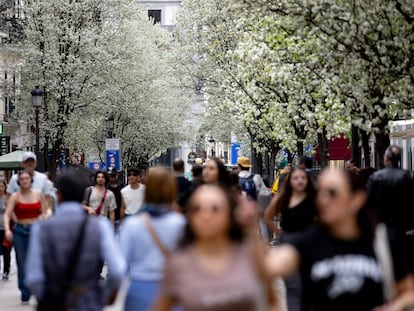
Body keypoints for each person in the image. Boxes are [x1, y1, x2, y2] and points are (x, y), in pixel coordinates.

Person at [266, 168, 414, 310]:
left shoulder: (382, 240)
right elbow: (270, 267)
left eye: (332, 193)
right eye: (320, 193)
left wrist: (395, 306)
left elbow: (408, 291)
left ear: (356, 199)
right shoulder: (309, 241)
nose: (323, 200)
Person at [152, 184, 278, 311]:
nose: (206, 215)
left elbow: (272, 301)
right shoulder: (177, 265)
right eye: (197, 209)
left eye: (215, 208)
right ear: (189, 216)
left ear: (229, 214)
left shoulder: (249, 254)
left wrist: (252, 231)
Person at [25, 170, 126, 311]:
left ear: (58, 195)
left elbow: (34, 277)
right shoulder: (99, 226)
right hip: (89, 301)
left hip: (55, 301)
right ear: (83, 195)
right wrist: (105, 296)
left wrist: (49, 296)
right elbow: (117, 271)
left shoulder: (41, 229)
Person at [120, 167, 186, 311]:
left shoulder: (132, 225)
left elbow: (120, 265)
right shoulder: (181, 224)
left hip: (139, 288)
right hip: (172, 289)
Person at [264, 168, 316, 311]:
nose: (300, 181)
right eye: (296, 178)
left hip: (310, 246)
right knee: (294, 287)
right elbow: (268, 217)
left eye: (303, 178)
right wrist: (280, 233)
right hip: (289, 247)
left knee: (310, 284)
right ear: (290, 182)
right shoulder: (283, 198)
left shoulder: (314, 198)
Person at [3, 170, 48, 304]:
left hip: (36, 229)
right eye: (22, 179)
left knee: (37, 260)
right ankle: (25, 290)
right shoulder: (15, 196)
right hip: (20, 231)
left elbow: (47, 210)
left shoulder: (39, 194)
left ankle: (38, 287)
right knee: (22, 262)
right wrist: (7, 230)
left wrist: (45, 217)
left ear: (31, 180)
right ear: (19, 182)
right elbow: (7, 214)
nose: (24, 181)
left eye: (26, 179)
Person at [366, 145, 414, 265]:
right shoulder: (408, 176)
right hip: (403, 224)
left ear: (386, 158)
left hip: (382, 223)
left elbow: (368, 201)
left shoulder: (376, 177)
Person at [106, 166, 125, 236]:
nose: (111, 178)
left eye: (113, 175)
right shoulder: (105, 188)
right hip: (107, 218)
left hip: (120, 219)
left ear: (117, 175)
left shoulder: (122, 187)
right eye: (109, 176)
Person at [0, 178, 10, 280]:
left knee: (6, 249)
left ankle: (6, 271)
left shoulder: (8, 198)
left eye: (2, 186)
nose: (0, 188)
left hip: (5, 227)